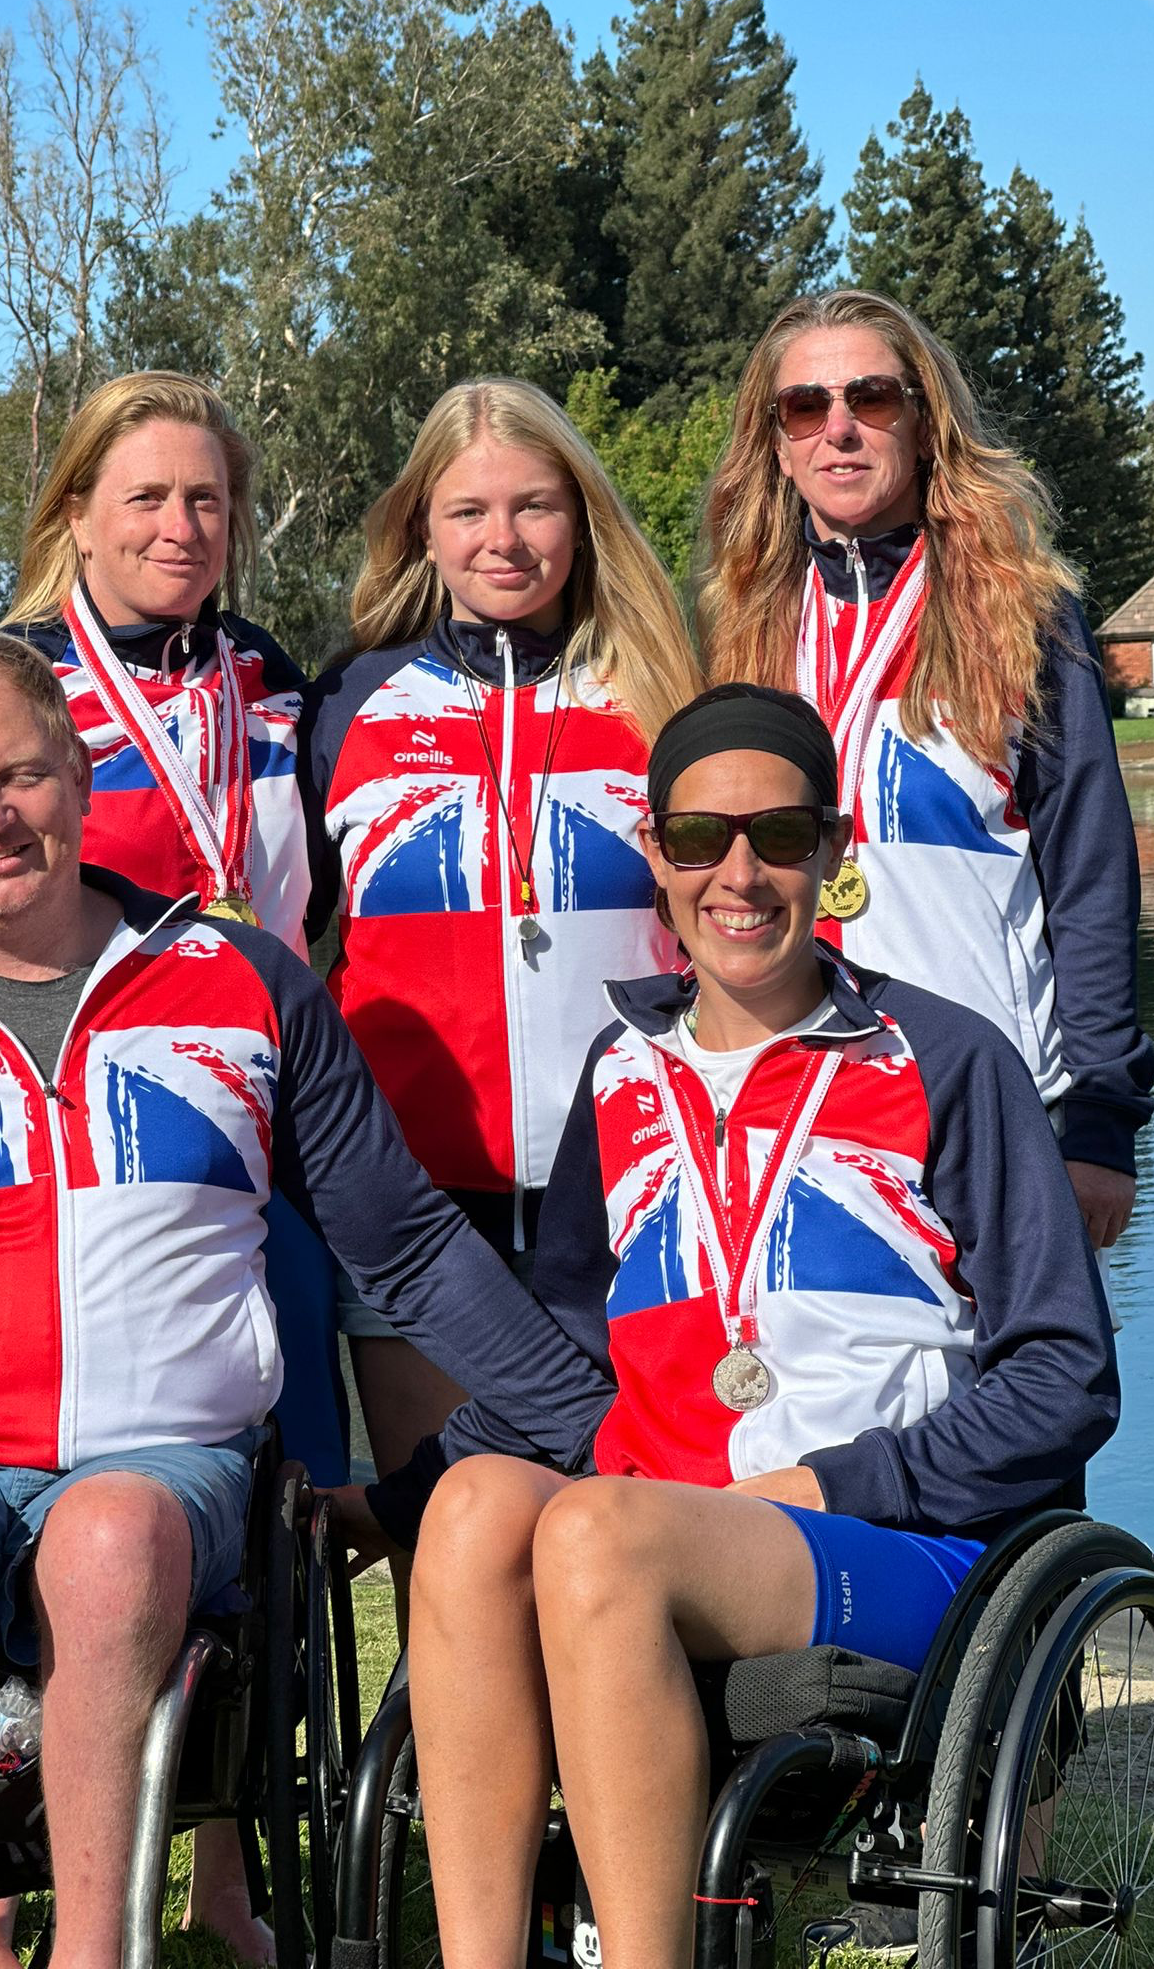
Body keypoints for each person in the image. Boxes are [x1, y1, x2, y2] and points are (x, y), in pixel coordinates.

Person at [0, 631, 613, 1969]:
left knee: (106, 1542)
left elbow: (411, 1248)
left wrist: (590, 1411)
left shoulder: (242, 980)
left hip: (175, 1476)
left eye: (23, 775)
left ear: (81, 778)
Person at [381, 686, 1120, 1969]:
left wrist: (843, 1478)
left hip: (897, 1542)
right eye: (698, 837)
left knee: (599, 1533)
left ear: (833, 850)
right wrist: (388, 1495)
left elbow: (1066, 1371)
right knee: (473, 1515)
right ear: (655, 857)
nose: (740, 872)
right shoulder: (618, 1076)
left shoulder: (945, 1057)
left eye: (779, 835)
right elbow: (567, 1358)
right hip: (668, 1526)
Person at [0, 373, 341, 1956]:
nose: (181, 525)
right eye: (145, 497)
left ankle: (224, 1871)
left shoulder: (274, 678)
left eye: (207, 500)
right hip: (43, 1074)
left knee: (261, 1474)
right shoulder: (15, 678)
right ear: (75, 515)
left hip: (232, 1090)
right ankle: (7, 1861)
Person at [302, 376, 703, 1494]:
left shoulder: (659, 688)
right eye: (469, 510)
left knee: (620, 1530)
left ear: (580, 517)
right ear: (419, 526)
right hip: (414, 1203)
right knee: (446, 1534)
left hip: (635, 1187)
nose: (504, 539)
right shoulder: (350, 703)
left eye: (534, 505)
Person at [699, 289, 1154, 1254]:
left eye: (871, 398)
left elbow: (1090, 875)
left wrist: (1104, 1124)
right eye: (804, 408)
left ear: (924, 419)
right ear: (775, 445)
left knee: (1026, 1399)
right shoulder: (743, 626)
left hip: (991, 1106)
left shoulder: (1021, 615)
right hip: (799, 1106)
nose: (840, 430)